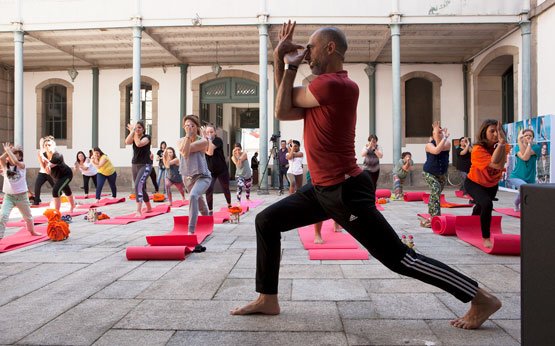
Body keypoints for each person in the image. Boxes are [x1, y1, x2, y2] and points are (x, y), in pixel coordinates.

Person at [231, 22, 501, 331]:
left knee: (399, 259)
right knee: (266, 221)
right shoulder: (324, 89)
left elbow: (281, 108)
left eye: (312, 48)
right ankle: (268, 298)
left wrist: (283, 62)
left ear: (330, 49)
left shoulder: (333, 85)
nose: (307, 54)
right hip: (321, 188)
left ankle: (479, 296)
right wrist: (281, 61)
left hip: (345, 191)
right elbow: (287, 108)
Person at [464, 119, 510, 249]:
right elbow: (495, 162)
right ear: (484, 132)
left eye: (498, 131)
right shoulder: (478, 149)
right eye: (492, 131)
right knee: (487, 204)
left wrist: (501, 145)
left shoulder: (504, 146)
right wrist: (500, 145)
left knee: (480, 206)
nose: (496, 134)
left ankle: (471, 225)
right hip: (474, 182)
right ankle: (486, 237)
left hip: (491, 184)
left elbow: (500, 165)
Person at [178, 115, 211, 234]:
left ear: (196, 127)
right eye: (187, 125)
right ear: (183, 127)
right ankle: (207, 221)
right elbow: (184, 150)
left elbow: (185, 152)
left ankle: (191, 230)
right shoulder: (180, 141)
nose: (190, 128)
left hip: (203, 176)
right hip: (187, 177)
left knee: (193, 196)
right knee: (199, 201)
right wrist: (187, 137)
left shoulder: (202, 141)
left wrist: (187, 137)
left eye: (192, 125)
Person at [0, 143, 41, 239]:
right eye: (12, 155)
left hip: (22, 197)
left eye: (17, 156)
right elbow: (1, 159)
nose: (14, 157)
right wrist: (8, 151)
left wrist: (9, 151)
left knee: (28, 217)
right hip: (9, 197)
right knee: (3, 216)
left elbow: (15, 162)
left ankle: (32, 231)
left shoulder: (22, 166)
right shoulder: (5, 167)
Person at [421, 121, 451, 228]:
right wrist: (439, 135)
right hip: (429, 172)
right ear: (432, 135)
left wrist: (442, 137)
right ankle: (435, 217)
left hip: (442, 173)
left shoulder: (447, 143)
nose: (439, 134)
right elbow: (436, 151)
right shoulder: (429, 145)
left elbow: (441, 146)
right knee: (436, 189)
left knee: (436, 194)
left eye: (440, 132)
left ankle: (432, 216)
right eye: (436, 133)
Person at [506, 129, 540, 212]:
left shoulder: (536, 147)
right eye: (526, 135)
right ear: (522, 137)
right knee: (524, 187)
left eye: (530, 135)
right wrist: (519, 141)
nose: (528, 136)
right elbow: (525, 158)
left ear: (533, 138)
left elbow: (526, 154)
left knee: (523, 191)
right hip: (516, 176)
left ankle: (516, 203)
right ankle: (521, 205)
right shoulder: (517, 147)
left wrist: (528, 144)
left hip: (530, 177)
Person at [125, 121, 153, 217]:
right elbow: (127, 142)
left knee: (137, 185)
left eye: (140, 128)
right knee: (140, 187)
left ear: (143, 129)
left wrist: (134, 132)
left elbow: (139, 144)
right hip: (135, 164)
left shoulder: (147, 137)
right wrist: (132, 132)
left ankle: (138, 210)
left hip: (145, 165)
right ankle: (149, 207)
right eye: (136, 127)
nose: (137, 129)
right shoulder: (134, 135)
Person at [204, 124, 232, 214]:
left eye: (211, 132)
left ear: (215, 132)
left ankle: (229, 204)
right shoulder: (203, 141)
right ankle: (210, 210)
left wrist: (208, 141)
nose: (209, 134)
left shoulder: (218, 140)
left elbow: (210, 152)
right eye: (207, 132)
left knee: (225, 188)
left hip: (221, 169)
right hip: (211, 171)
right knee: (208, 189)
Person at [43, 137, 75, 212]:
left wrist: (47, 165)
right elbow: (47, 171)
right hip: (56, 176)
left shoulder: (57, 155)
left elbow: (49, 165)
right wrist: (46, 167)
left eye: (49, 145)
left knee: (55, 190)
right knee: (66, 190)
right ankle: (73, 205)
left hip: (66, 175)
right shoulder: (44, 155)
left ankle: (56, 211)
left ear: (53, 146)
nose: (47, 146)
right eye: (46, 145)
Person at [33, 136, 55, 206]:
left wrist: (48, 170)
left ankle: (59, 198)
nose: (41, 143)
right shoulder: (39, 152)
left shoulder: (50, 152)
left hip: (50, 172)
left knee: (55, 187)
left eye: (42, 142)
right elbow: (41, 164)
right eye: (40, 142)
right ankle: (37, 200)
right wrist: (44, 168)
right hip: (42, 172)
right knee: (37, 185)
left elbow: (50, 163)